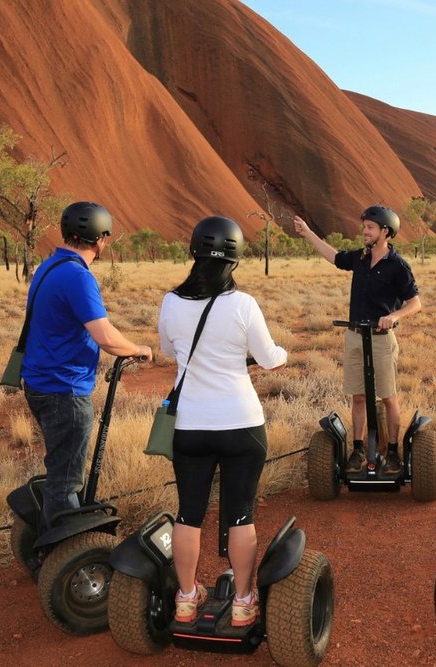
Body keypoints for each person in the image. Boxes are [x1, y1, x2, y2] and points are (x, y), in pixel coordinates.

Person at [158, 215, 287, 628]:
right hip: (240, 426)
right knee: (240, 515)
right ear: (235, 258)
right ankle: (244, 601)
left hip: (190, 428)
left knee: (188, 514)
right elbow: (269, 358)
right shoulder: (243, 304)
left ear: (194, 252)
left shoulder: (170, 302)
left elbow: (169, 350)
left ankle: (186, 597)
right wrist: (280, 354)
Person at [21, 201, 153, 532]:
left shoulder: (46, 267)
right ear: (100, 239)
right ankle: (64, 558)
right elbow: (105, 336)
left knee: (60, 470)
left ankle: (53, 533)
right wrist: (138, 349)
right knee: (66, 481)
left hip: (39, 383)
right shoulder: (77, 276)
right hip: (63, 389)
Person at [293, 205, 421, 475]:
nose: (365, 231)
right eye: (364, 226)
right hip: (354, 337)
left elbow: (415, 303)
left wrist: (395, 316)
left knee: (388, 397)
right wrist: (307, 233)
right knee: (359, 397)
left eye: (370, 227)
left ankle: (394, 453)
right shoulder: (360, 258)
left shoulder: (398, 266)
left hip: (381, 339)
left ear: (385, 231)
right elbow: (335, 257)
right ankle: (359, 450)